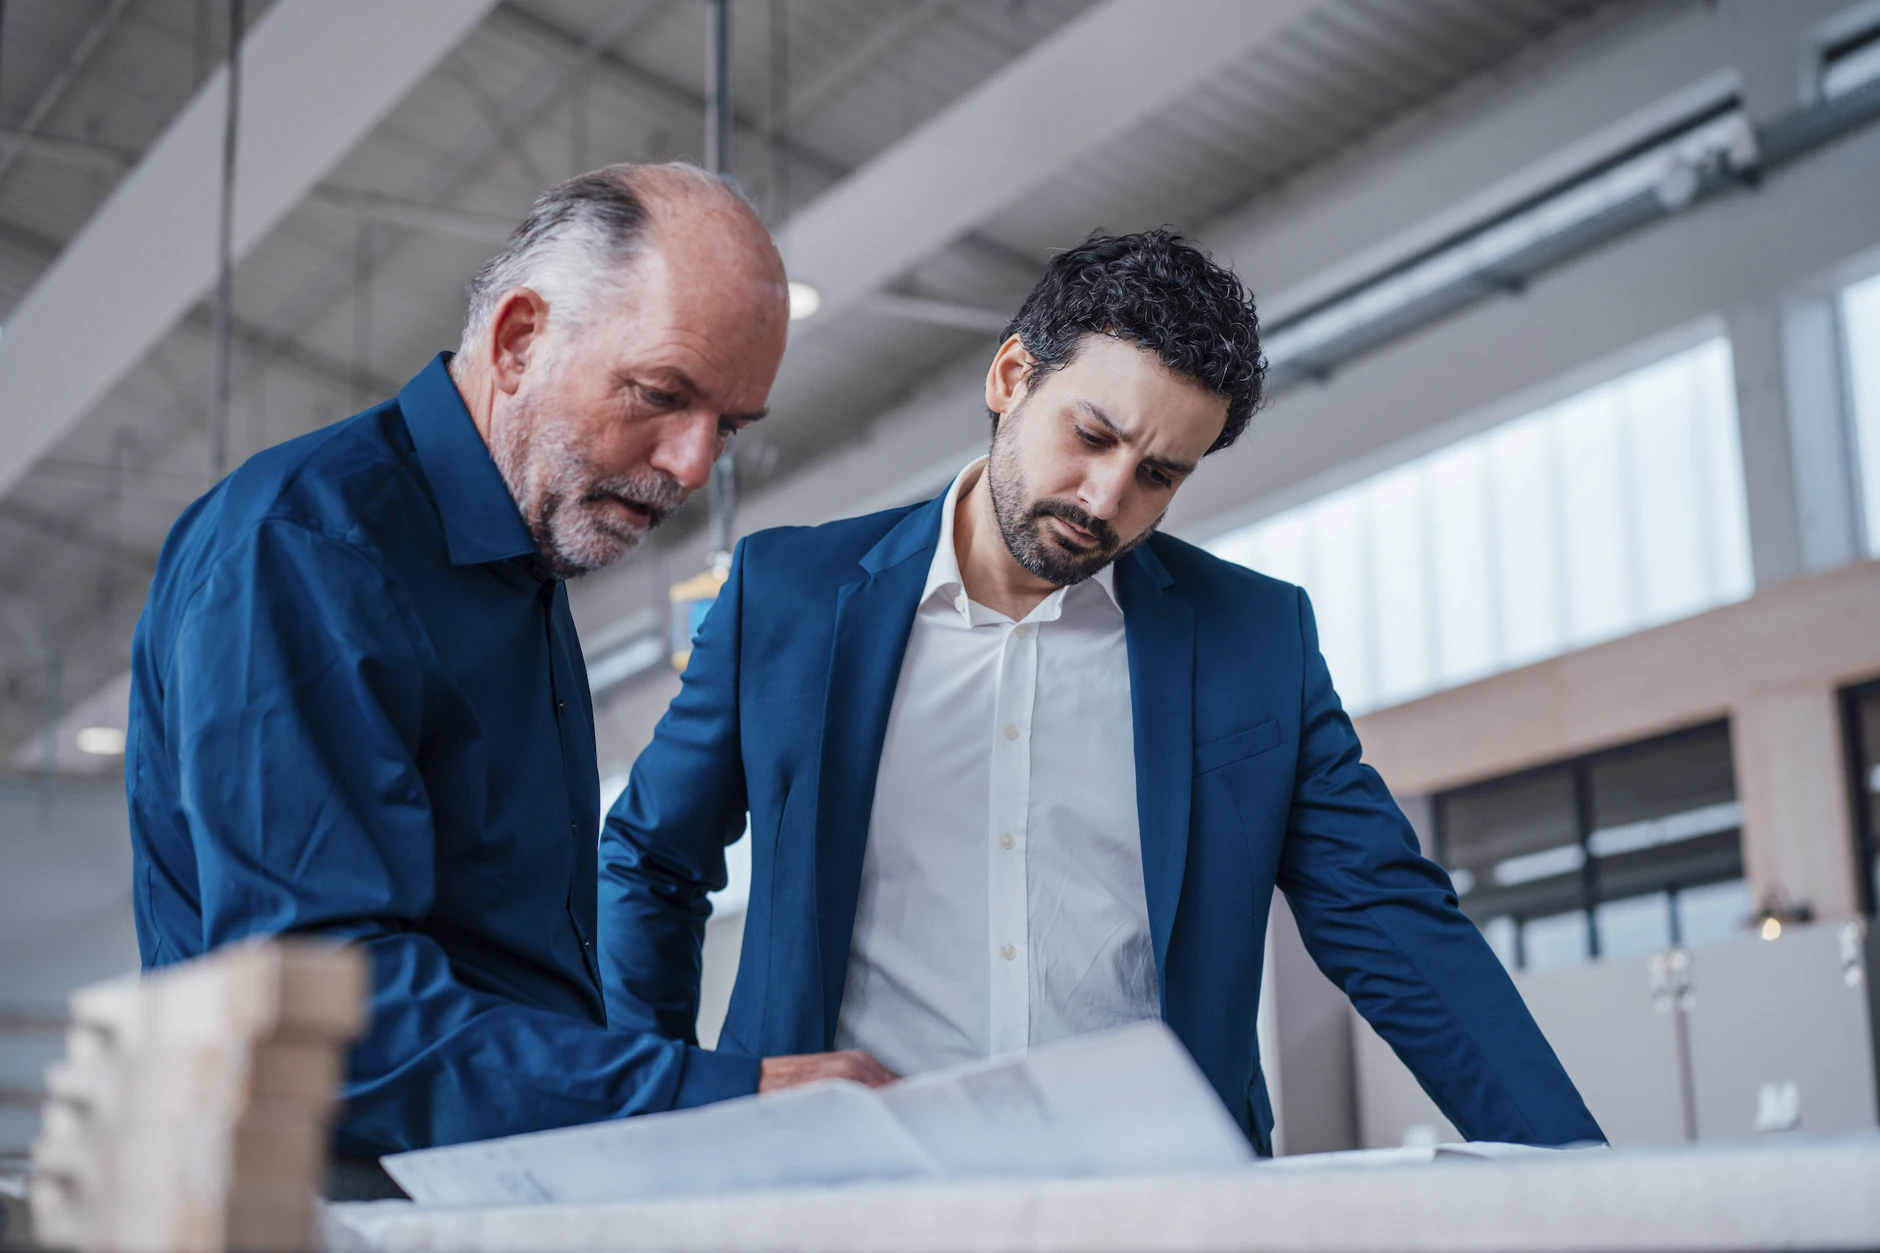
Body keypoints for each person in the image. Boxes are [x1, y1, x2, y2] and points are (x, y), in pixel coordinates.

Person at [600, 228, 1603, 1152]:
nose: (1106, 498)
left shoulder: (1254, 643)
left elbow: (1389, 920)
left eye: (1159, 473)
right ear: (1008, 377)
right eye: (1091, 435)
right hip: (844, 1191)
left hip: (1148, 1199)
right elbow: (648, 859)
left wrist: (1588, 1178)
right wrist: (657, 1115)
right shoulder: (791, 596)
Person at [126, 164, 893, 1197]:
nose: (691, 463)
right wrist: (707, 1096)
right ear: (519, 338)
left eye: (731, 425)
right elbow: (323, 1014)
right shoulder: (308, 548)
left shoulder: (518, 567)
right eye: (661, 394)